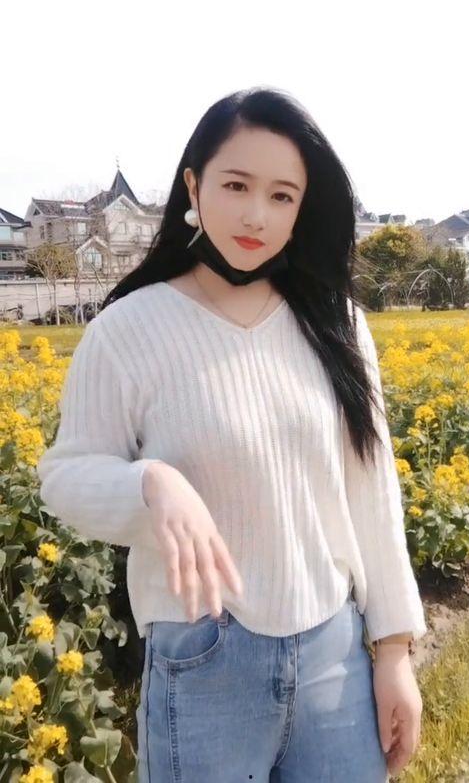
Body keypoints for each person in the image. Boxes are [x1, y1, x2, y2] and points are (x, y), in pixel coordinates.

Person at [37, 86, 427, 782]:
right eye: (236, 185)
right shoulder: (127, 330)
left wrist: (393, 650)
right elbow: (65, 478)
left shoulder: (336, 323)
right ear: (193, 186)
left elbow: (373, 489)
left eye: (282, 196)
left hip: (333, 659)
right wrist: (152, 483)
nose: (256, 215)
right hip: (204, 663)